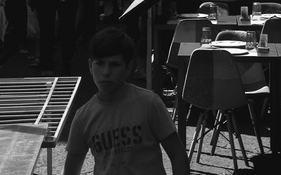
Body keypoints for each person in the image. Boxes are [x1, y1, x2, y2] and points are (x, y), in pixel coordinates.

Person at [63, 26, 190, 175]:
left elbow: (177, 154)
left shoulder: (149, 103)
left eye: (114, 64)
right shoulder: (83, 117)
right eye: (100, 63)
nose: (106, 72)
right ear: (90, 66)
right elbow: (71, 169)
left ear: (128, 67)